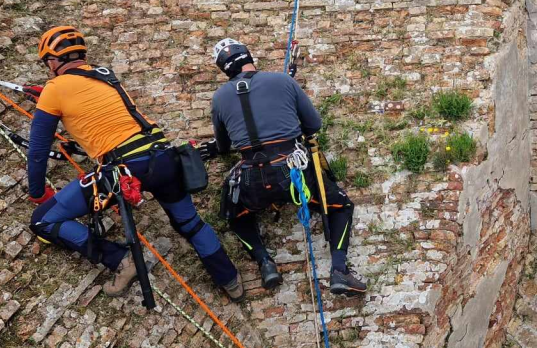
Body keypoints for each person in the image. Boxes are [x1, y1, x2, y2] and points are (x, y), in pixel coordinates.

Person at [26, 26, 244, 301]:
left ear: (53, 61)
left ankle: (120, 260)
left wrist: (38, 192)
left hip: (125, 169)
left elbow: (38, 149)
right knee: (190, 223)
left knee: (43, 220)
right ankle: (230, 280)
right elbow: (99, 113)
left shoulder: (54, 89)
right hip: (164, 157)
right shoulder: (104, 75)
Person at [207, 38, 366, 296]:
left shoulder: (219, 98)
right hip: (293, 171)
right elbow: (313, 125)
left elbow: (224, 147)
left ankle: (265, 263)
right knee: (341, 206)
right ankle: (339, 270)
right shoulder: (282, 81)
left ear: (224, 69)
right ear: (249, 57)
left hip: (251, 179)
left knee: (235, 216)